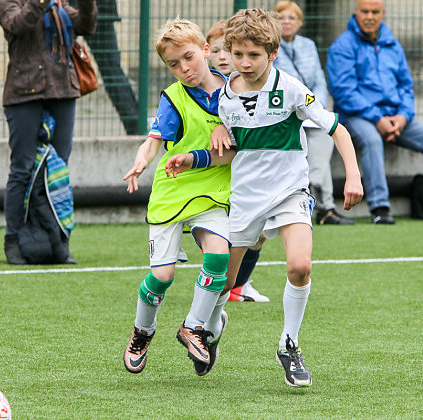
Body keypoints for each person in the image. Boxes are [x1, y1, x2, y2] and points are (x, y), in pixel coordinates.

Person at [166, 8, 363, 387]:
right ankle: (214, 325)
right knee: (224, 283)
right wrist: (197, 154)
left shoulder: (289, 87)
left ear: (271, 54)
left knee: (300, 266)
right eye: (237, 54)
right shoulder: (224, 98)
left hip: (290, 193)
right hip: (245, 201)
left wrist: (352, 175)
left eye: (253, 55)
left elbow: (337, 129)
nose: (243, 62)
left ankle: (289, 344)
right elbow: (230, 151)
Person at [122, 18, 233, 376]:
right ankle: (143, 332)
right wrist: (141, 161)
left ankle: (195, 327)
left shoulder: (236, 90)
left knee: (218, 256)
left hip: (214, 190)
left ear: (205, 50)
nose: (183, 69)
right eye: (173, 64)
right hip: (173, 191)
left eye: (188, 57)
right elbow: (153, 141)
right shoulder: (173, 97)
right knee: (163, 276)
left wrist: (223, 123)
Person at [0, 0, 97, 264]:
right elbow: (19, 24)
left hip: (63, 91)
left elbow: (86, 26)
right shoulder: (9, 2)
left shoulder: (59, 3)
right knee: (22, 169)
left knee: (60, 170)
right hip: (23, 94)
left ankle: (59, 241)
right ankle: (13, 241)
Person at [327, 0, 423, 224]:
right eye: (365, 11)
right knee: (371, 140)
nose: (369, 16)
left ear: (383, 14)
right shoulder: (342, 46)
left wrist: (402, 116)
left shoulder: (392, 44)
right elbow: (344, 91)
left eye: (375, 12)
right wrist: (377, 118)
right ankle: (380, 208)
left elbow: (406, 86)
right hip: (355, 116)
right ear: (356, 13)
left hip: (395, 116)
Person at [274, 1, 355, 226]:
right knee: (315, 148)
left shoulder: (308, 45)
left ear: (300, 23)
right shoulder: (270, 48)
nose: (286, 22)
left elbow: (319, 79)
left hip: (310, 108)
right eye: (281, 17)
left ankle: (320, 198)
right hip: (287, 111)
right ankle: (325, 205)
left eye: (291, 18)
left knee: (325, 138)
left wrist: (315, 105)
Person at [207, 19, 269, 304]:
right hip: (217, 175)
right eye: (216, 50)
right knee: (224, 234)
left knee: (258, 234)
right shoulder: (204, 86)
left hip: (254, 171)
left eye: (226, 51)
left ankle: (238, 285)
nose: (222, 57)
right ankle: (224, 284)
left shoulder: (256, 83)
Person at [86, 0, 139, 135]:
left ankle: (135, 125)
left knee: (112, 71)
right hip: (98, 10)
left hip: (95, 11)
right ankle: (135, 125)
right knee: (112, 70)